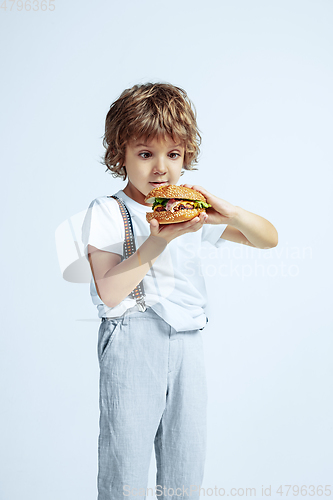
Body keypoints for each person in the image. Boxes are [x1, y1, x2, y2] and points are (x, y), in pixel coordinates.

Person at [81, 82, 278, 500]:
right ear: (121, 154)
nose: (161, 169)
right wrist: (160, 239)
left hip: (188, 342)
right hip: (132, 340)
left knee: (184, 473)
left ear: (187, 154)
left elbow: (268, 239)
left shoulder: (189, 211)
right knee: (125, 472)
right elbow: (111, 291)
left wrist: (231, 212)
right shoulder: (107, 212)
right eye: (145, 153)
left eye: (173, 154)